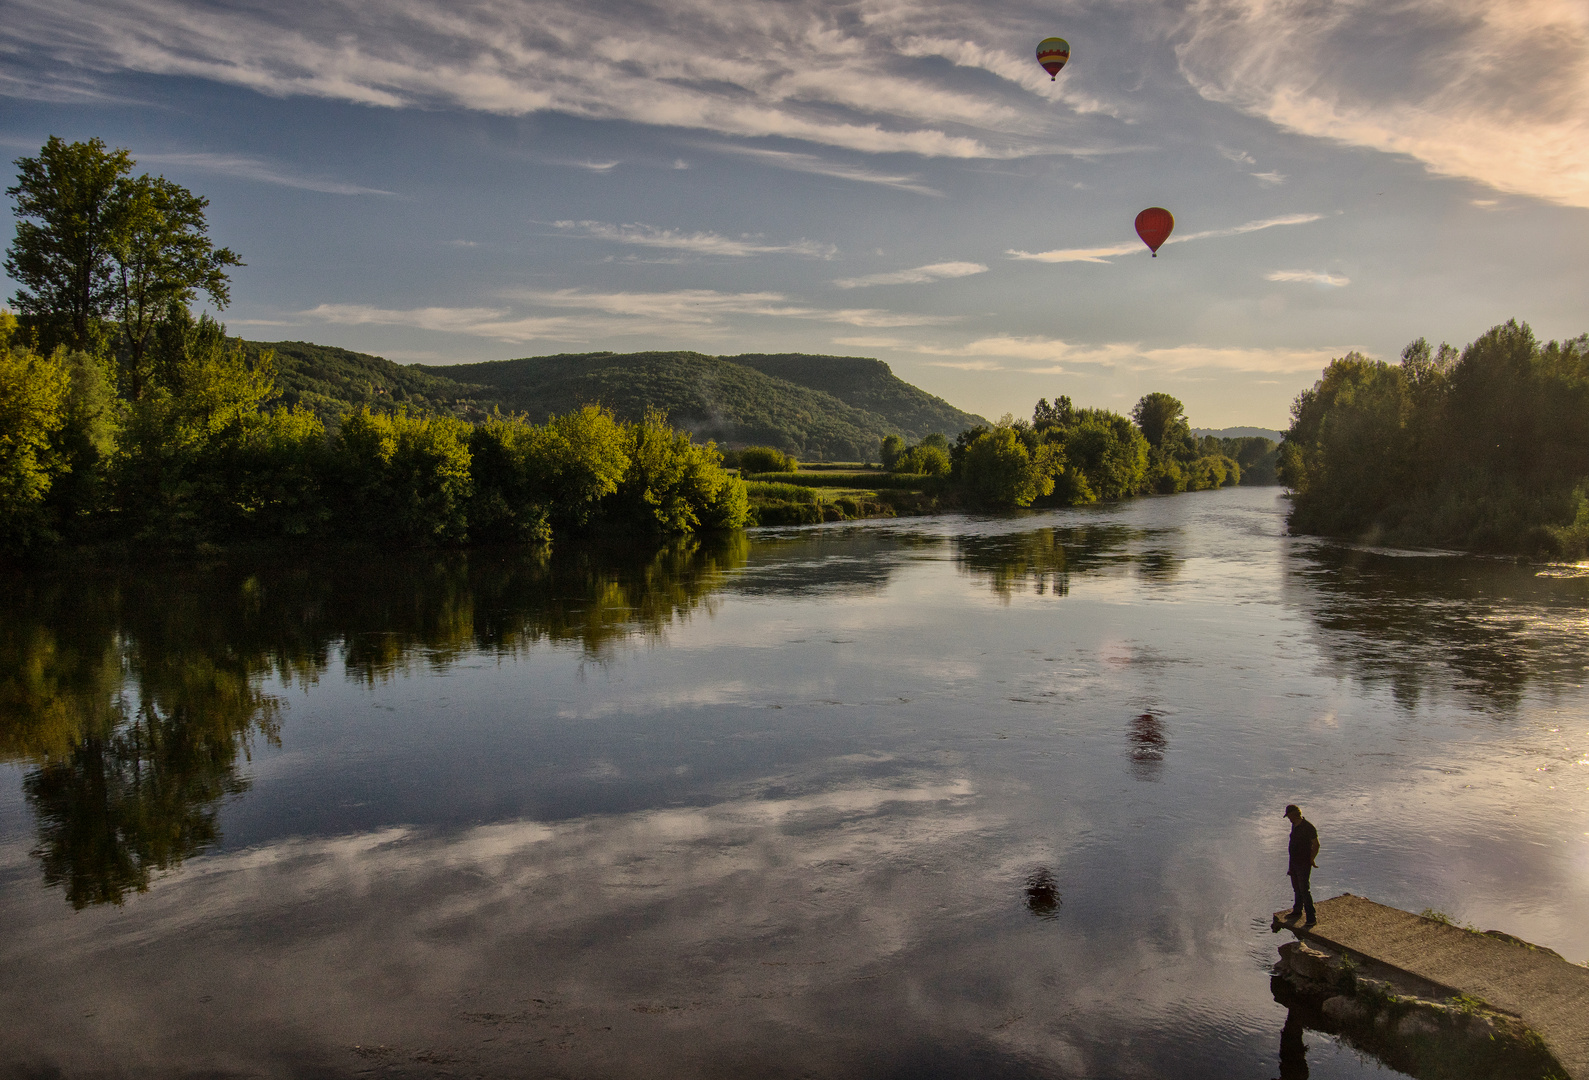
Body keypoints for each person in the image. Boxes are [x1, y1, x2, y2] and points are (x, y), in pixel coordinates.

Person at [1284, 804, 1319, 926]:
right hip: (1293, 862)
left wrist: (1311, 859)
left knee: (1304, 890)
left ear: (1294, 814)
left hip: (1303, 863)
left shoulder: (1308, 827)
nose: (1288, 819)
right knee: (1296, 888)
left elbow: (1316, 844)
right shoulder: (1294, 825)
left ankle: (1311, 917)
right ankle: (1297, 911)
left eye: (1289, 816)